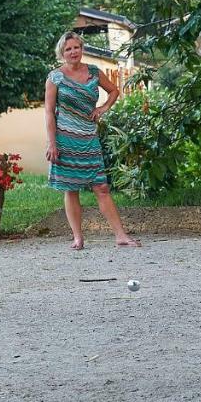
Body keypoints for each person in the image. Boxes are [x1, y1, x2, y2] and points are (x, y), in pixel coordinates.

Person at [44, 31, 140, 250]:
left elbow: (114, 91)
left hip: (89, 138)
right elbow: (49, 112)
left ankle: (121, 236)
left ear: (82, 48)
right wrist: (52, 143)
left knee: (102, 187)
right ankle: (78, 238)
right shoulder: (55, 77)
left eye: (76, 47)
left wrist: (103, 108)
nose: (73, 52)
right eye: (68, 49)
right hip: (64, 140)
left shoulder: (94, 72)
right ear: (62, 53)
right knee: (71, 188)